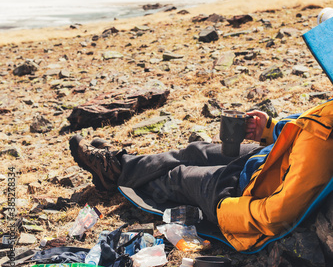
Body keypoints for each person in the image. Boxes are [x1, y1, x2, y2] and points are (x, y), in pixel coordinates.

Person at [70, 99, 333, 251]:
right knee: (195, 151)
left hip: (243, 191)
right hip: (266, 158)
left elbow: (277, 214)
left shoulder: (322, 143)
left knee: (178, 177)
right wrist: (269, 129)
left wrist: (223, 208)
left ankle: (113, 170)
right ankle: (119, 165)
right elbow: (300, 132)